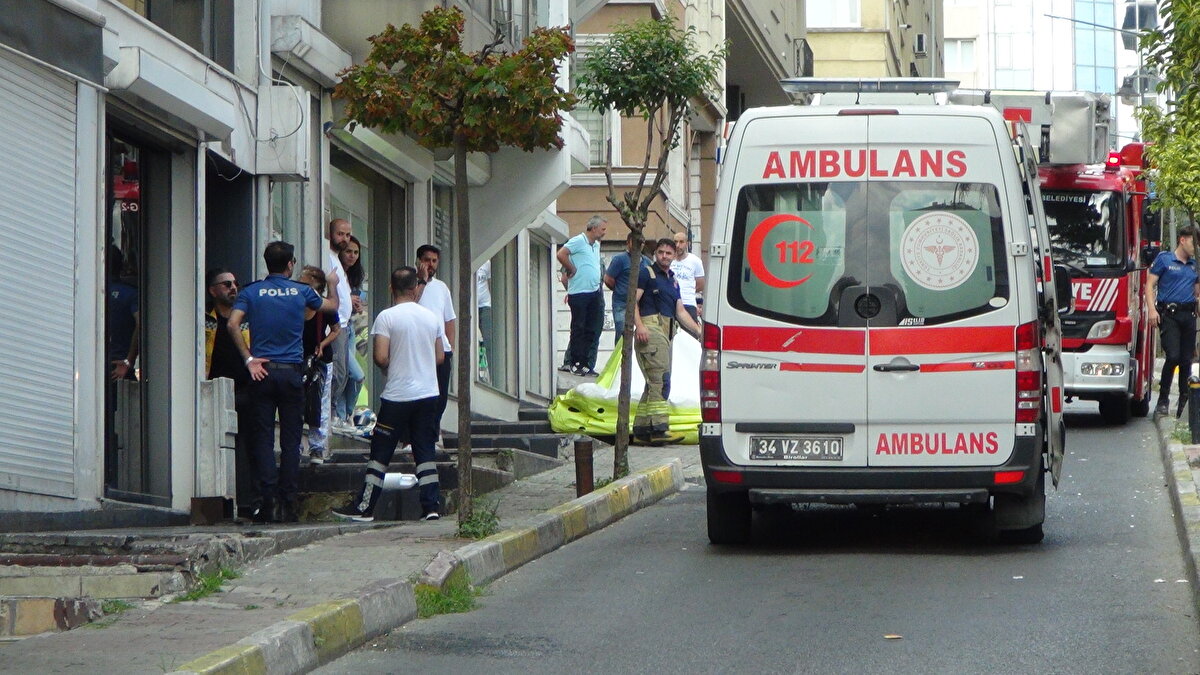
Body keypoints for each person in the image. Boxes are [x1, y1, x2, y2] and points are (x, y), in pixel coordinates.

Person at [228, 241, 339, 523]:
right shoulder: (303, 292)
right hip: (291, 372)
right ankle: (287, 502)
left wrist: (249, 359)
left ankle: (267, 501)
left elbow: (232, 323)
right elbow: (333, 306)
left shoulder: (252, 291)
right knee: (291, 442)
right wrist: (334, 283)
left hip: (261, 371)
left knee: (262, 439)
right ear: (290, 264)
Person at [334, 266, 444, 522]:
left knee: (381, 452)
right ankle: (431, 506)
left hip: (397, 395)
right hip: (428, 394)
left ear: (391, 288)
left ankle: (365, 508)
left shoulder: (386, 317)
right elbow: (439, 356)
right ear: (416, 288)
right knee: (424, 450)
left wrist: (391, 365)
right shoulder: (431, 318)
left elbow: (380, 356)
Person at [632, 238, 702, 446]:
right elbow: (632, 302)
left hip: (666, 332)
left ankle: (642, 429)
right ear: (656, 254)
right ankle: (658, 429)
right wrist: (640, 326)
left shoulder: (672, 280)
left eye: (668, 253)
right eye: (661, 252)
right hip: (651, 330)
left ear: (674, 256)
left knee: (653, 382)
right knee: (661, 381)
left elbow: (680, 311)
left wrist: (698, 331)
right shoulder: (647, 274)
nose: (664, 256)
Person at [203, 268, 259, 518]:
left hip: (246, 388)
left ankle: (249, 501)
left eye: (236, 283)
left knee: (249, 444)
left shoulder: (248, 319)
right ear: (212, 290)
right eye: (226, 284)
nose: (233, 287)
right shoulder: (206, 319)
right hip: (212, 391)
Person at [1148, 225, 1200, 417]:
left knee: (1187, 360)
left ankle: (1185, 403)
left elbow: (1197, 292)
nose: (1196, 246)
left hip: (1188, 315)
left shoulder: (1195, 265)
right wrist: (1152, 310)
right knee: (1173, 356)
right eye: (1193, 242)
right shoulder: (1164, 259)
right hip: (1169, 314)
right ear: (1182, 240)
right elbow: (1149, 284)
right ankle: (1163, 400)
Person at [298, 266, 340, 463]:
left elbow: (336, 329)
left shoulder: (323, 306)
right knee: (295, 401)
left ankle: (317, 446)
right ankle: (295, 444)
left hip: (320, 358)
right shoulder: (295, 303)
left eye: (303, 282)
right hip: (297, 356)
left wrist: (322, 344)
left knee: (319, 401)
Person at [557, 214, 607, 376]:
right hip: (579, 292)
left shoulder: (596, 245)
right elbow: (561, 254)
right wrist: (571, 268)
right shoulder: (579, 240)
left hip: (594, 291)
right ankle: (575, 361)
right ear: (593, 228)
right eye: (602, 229)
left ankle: (585, 363)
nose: (604, 232)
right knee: (579, 327)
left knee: (591, 328)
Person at [416, 244, 456, 444]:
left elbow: (449, 319)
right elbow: (409, 302)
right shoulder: (411, 283)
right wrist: (421, 281)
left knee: (440, 397)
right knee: (420, 395)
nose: (430, 265)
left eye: (434, 261)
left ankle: (434, 432)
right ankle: (415, 436)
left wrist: (451, 346)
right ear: (419, 261)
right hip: (418, 349)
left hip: (442, 350)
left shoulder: (442, 288)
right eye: (426, 260)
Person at [325, 219, 355, 432]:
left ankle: (334, 413)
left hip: (344, 325)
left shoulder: (336, 259)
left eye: (347, 234)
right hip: (333, 325)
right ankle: (331, 413)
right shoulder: (326, 256)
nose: (344, 239)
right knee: (338, 372)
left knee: (342, 373)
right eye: (340, 234)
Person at [336, 235, 367, 427]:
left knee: (348, 376)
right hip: (337, 329)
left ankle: (343, 416)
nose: (352, 256)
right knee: (356, 374)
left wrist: (354, 304)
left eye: (356, 252)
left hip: (349, 329)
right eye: (348, 251)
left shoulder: (351, 277)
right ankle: (342, 414)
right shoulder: (337, 273)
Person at [604, 232, 652, 343]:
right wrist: (621, 290)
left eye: (641, 243)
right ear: (628, 243)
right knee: (622, 334)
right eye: (635, 242)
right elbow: (608, 279)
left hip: (641, 305)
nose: (639, 245)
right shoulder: (619, 259)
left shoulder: (647, 262)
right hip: (622, 304)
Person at [671, 230, 706, 322]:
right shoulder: (668, 260)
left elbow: (701, 284)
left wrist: (687, 290)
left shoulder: (695, 261)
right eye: (675, 242)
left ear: (687, 244)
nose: (678, 245)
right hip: (670, 303)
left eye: (681, 242)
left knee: (690, 335)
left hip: (688, 303)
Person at [476, 259, 494, 385]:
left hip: (485, 304)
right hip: (471, 305)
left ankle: (489, 375)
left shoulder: (486, 262)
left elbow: (489, 281)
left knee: (487, 340)